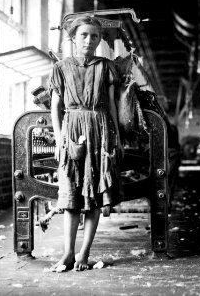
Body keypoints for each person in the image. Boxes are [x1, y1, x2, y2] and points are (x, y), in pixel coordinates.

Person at [49, 16, 123, 271]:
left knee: (94, 193)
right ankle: (68, 253)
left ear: (99, 40)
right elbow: (56, 107)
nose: (89, 40)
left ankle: (83, 253)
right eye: (83, 35)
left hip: (100, 129)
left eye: (94, 36)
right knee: (71, 195)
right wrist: (60, 139)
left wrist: (116, 137)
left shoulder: (106, 67)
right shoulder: (61, 68)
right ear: (73, 38)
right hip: (72, 128)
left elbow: (112, 104)